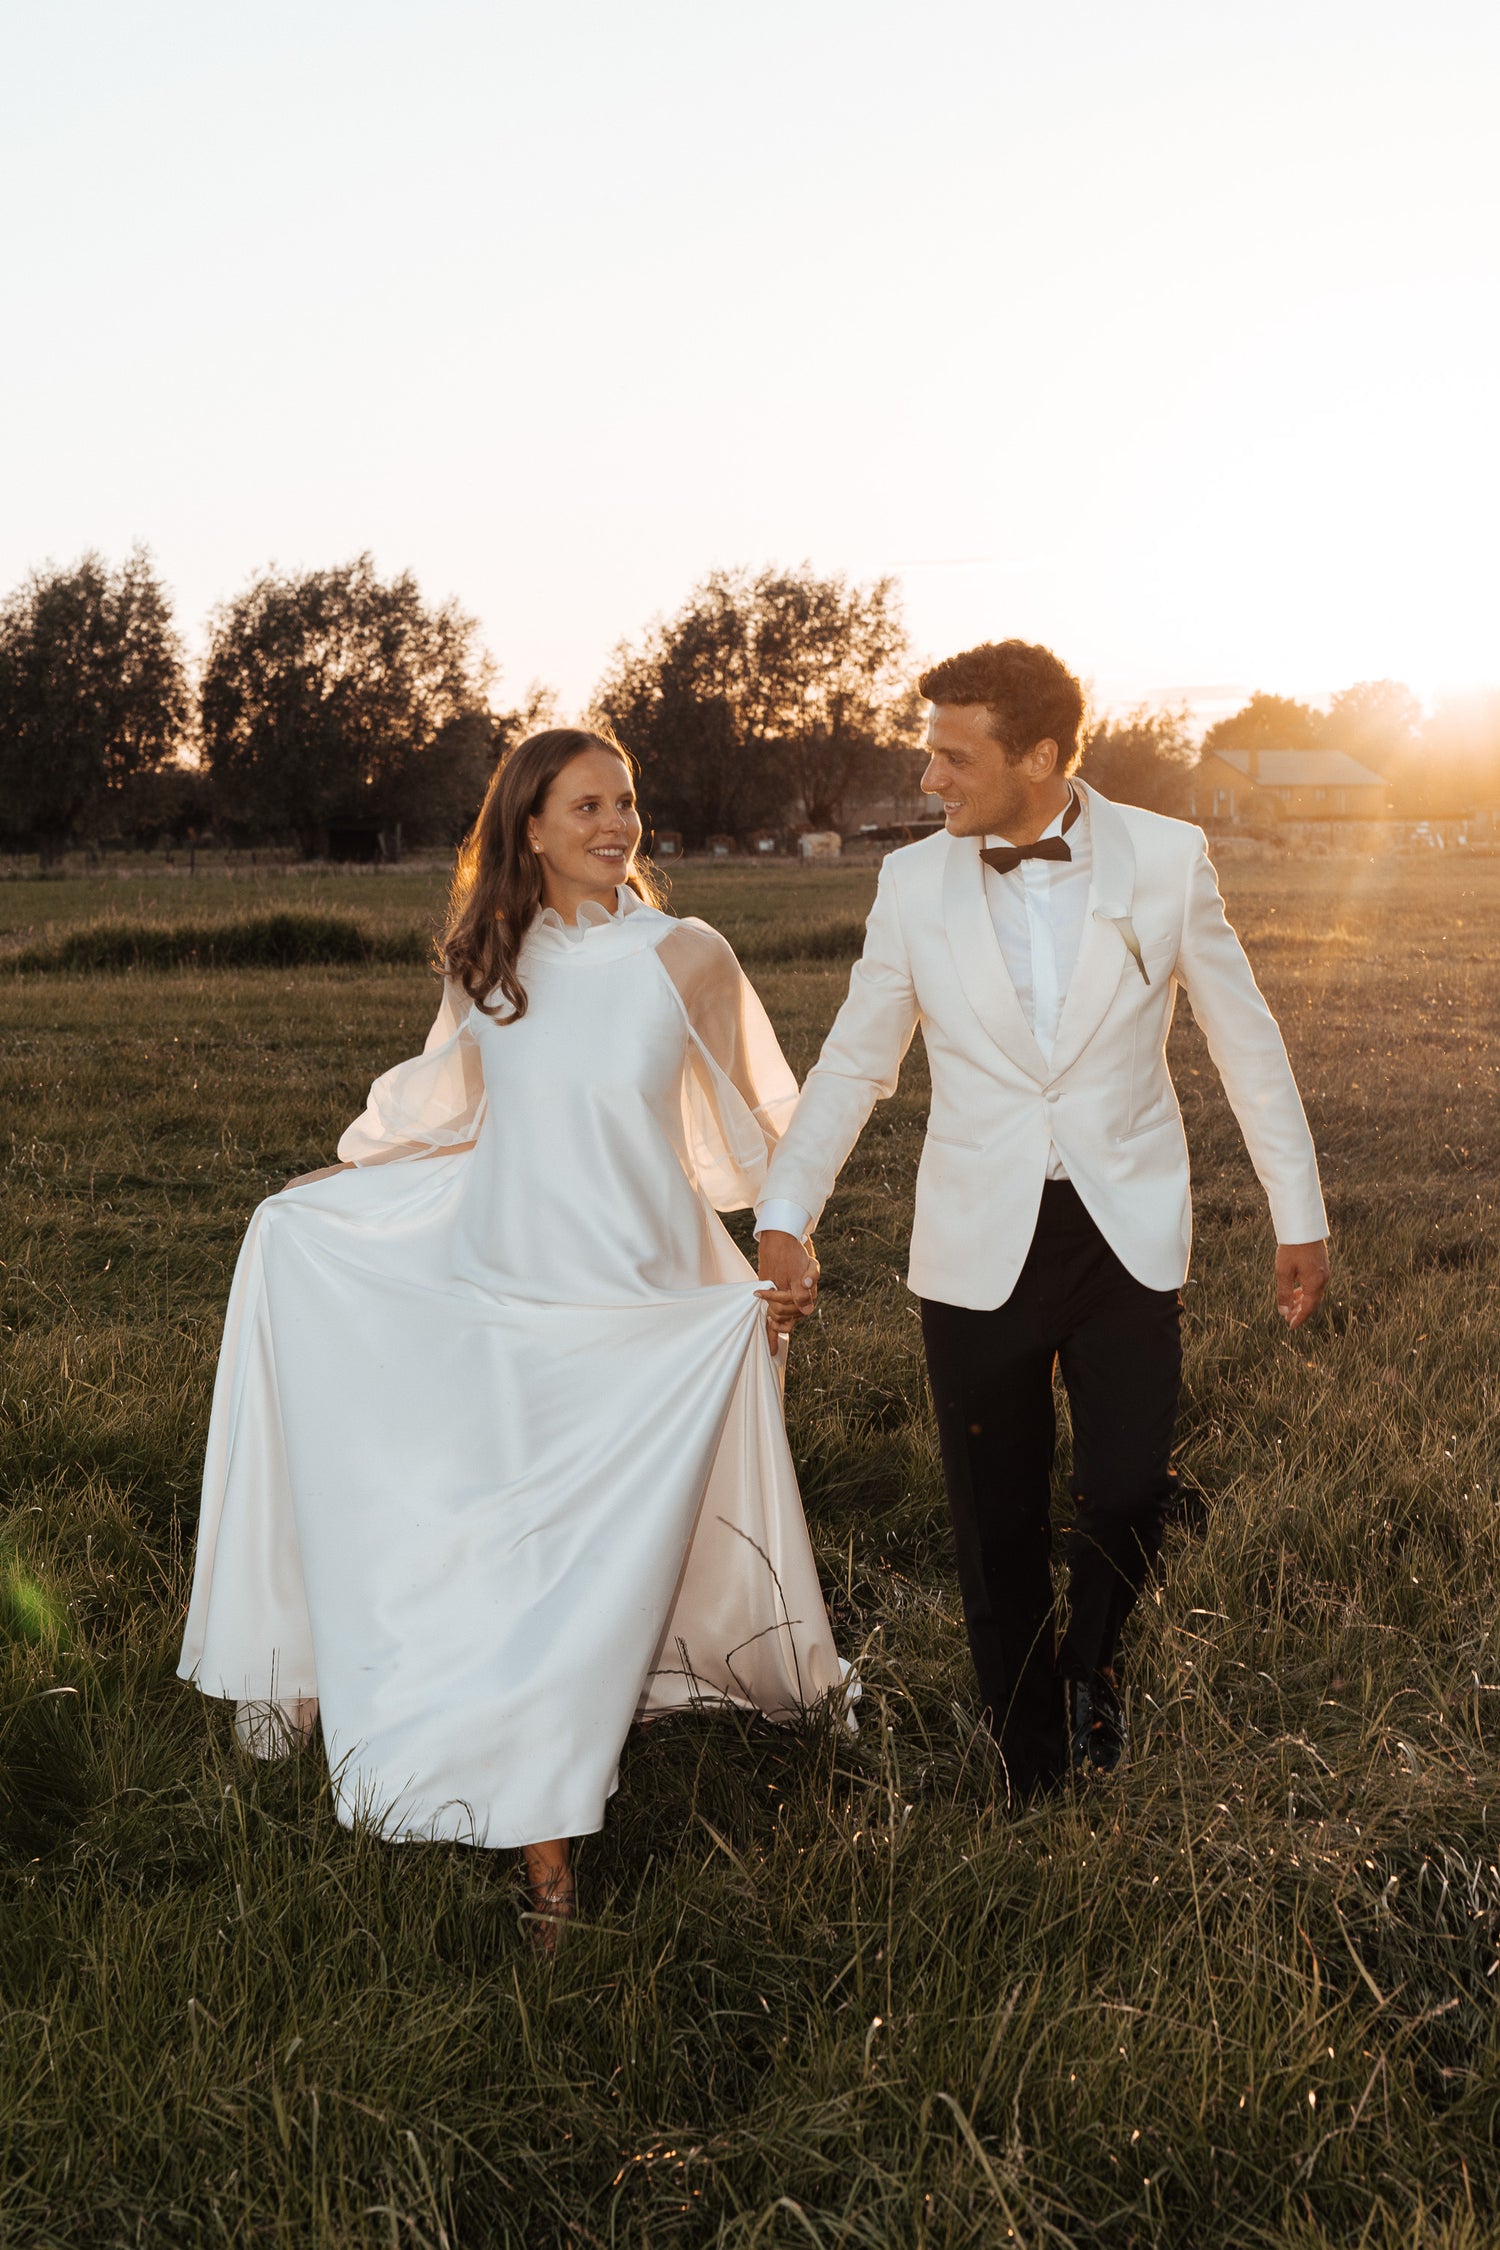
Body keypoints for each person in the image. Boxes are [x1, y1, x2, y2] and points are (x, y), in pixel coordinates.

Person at [179, 727, 849, 1947]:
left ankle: (576, 1772)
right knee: (522, 1557)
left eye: (627, 803)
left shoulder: (683, 954)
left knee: (599, 1552)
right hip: (502, 1290)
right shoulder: (488, 961)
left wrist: (785, 1241)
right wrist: (326, 1207)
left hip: (642, 1299)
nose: (616, 825)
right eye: (586, 805)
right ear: (527, 825)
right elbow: (450, 1114)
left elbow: (779, 1115)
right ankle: (548, 1854)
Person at [757, 641, 1328, 1798]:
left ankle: (1092, 1668)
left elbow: (1244, 1040)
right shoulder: (911, 887)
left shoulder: (1169, 861)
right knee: (994, 1523)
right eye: (930, 756)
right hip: (975, 1246)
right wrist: (784, 1211)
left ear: (1044, 757)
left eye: (953, 758)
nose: (930, 781)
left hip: (1122, 1235)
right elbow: (856, 1062)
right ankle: (1029, 1764)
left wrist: (1298, 1214)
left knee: (1125, 1491)